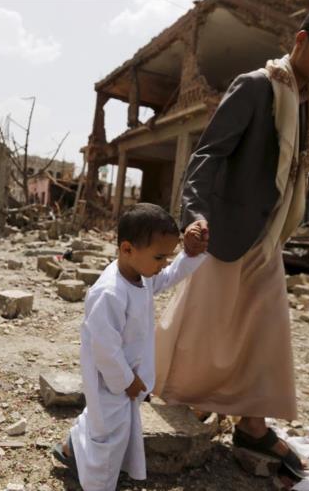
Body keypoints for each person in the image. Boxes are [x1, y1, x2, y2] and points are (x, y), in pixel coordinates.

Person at [153, 2, 309, 478]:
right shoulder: (257, 86)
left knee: (260, 329)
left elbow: (278, 171)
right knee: (206, 325)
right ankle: (204, 404)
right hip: (225, 231)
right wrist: (195, 217)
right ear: (301, 41)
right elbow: (208, 155)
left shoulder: (303, 99)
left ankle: (249, 421)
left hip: (265, 237)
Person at [52, 203, 207, 491]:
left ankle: (71, 447)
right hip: (111, 380)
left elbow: (169, 276)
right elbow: (104, 347)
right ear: (127, 249)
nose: (163, 264)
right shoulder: (109, 292)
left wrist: (190, 255)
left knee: (102, 422)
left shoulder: (141, 275)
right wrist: (127, 381)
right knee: (109, 439)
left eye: (167, 257)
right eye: (159, 256)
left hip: (126, 380)